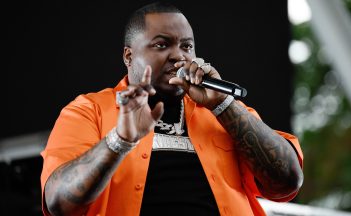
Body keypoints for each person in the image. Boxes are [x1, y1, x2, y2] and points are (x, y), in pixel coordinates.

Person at [40, 2, 304, 216]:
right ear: (128, 56)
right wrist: (120, 140)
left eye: (186, 46)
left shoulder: (223, 110)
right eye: (162, 44)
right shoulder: (88, 110)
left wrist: (223, 105)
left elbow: (287, 182)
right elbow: (59, 202)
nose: (180, 56)